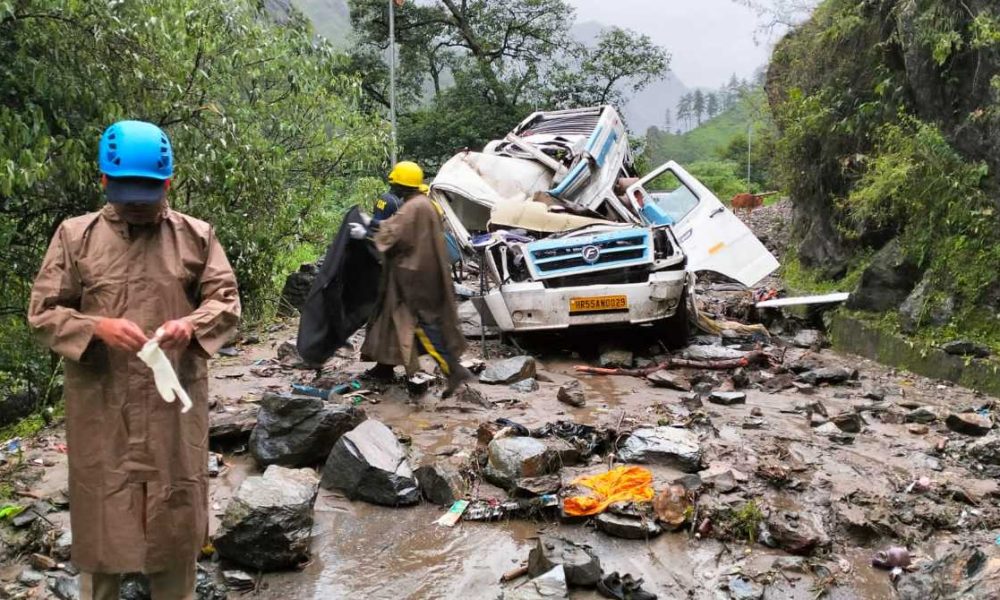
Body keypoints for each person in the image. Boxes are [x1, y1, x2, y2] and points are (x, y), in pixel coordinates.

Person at [28, 120, 240, 600]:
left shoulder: (196, 236)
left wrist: (191, 325)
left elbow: (225, 299)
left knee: (175, 518)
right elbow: (42, 313)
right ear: (104, 181)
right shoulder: (75, 237)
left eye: (148, 190)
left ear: (167, 183)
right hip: (104, 406)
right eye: (126, 191)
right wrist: (95, 327)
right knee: (104, 525)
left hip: (173, 406)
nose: (137, 202)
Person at [351, 161, 472, 397]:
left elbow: (395, 233)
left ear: (401, 185)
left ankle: (453, 371)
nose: (392, 187)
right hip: (423, 274)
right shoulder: (426, 204)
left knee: (419, 327)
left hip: (413, 279)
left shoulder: (412, 208)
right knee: (390, 322)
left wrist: (366, 230)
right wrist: (372, 224)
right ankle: (383, 368)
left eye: (395, 183)